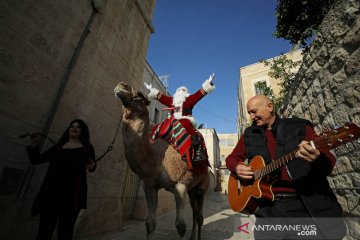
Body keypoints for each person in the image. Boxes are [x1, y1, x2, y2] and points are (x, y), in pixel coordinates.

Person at [226, 95, 346, 239]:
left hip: (303, 206)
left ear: (270, 107)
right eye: (249, 113)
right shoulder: (249, 134)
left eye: (254, 111)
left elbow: (329, 163)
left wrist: (317, 158)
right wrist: (237, 167)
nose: (251, 117)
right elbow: (231, 159)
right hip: (267, 210)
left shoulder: (299, 126)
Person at [26, 119, 96, 240]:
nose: (74, 128)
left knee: (65, 233)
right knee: (44, 232)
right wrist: (34, 144)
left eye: (78, 127)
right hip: (51, 195)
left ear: (82, 131)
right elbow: (36, 160)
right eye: (72, 126)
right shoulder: (58, 147)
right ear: (68, 129)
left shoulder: (87, 148)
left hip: (73, 196)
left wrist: (92, 165)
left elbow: (91, 166)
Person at [144, 73, 215, 165]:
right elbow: (161, 97)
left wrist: (208, 83)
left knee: (187, 126)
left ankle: (198, 151)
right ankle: (151, 147)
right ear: (176, 93)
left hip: (185, 119)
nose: (181, 91)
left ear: (186, 93)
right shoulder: (172, 100)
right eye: (180, 90)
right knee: (158, 128)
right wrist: (151, 90)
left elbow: (199, 94)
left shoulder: (190, 99)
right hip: (172, 120)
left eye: (184, 90)